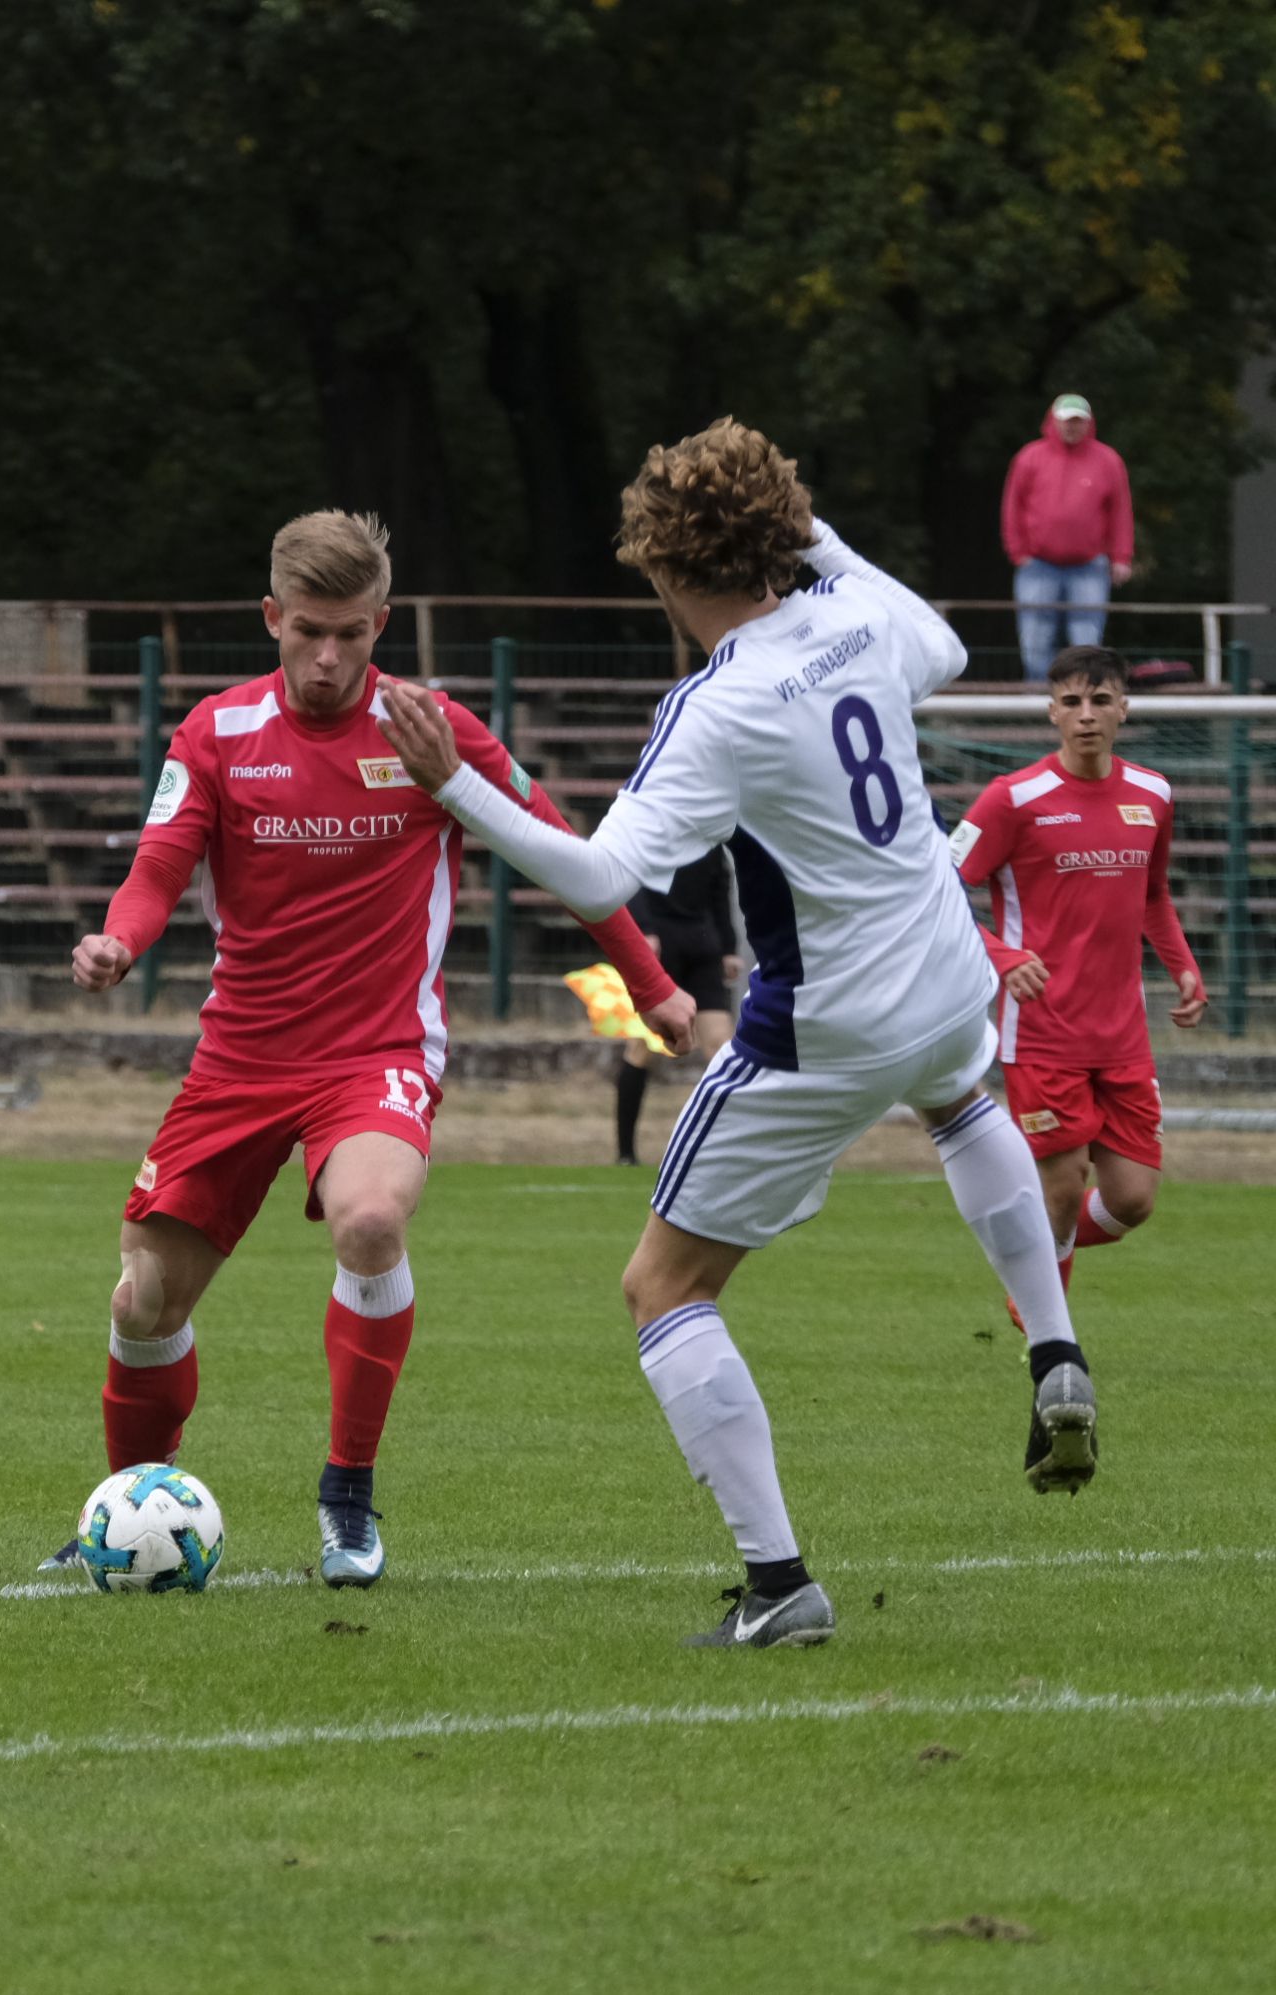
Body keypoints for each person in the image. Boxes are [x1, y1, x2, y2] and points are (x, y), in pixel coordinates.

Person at [379, 418, 1098, 1650]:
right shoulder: (860, 614)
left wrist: (456, 788)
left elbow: (602, 873)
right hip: (944, 981)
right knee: (962, 1102)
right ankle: (1056, 1354)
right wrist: (812, 534)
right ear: (784, 532)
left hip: (828, 1023)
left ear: (664, 570)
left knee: (662, 1286)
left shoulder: (717, 704)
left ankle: (780, 1587)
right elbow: (951, 642)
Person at [57, 509, 689, 1589]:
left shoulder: (430, 733)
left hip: (378, 1051)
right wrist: (123, 935)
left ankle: (346, 1494)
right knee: (142, 1302)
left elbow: (563, 857)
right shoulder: (217, 732)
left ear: (382, 623)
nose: (329, 657)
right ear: (272, 618)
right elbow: (161, 861)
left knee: (370, 1218)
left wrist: (653, 986)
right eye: (309, 631)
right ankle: (128, 1512)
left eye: (352, 634)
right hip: (240, 1061)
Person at [951, 645, 1207, 1322]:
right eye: (1071, 702)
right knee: (1062, 1188)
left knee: (1132, 1199)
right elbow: (937, 893)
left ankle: (1035, 1259)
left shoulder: (1152, 794)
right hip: (1041, 1031)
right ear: (1051, 713)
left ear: (1124, 708)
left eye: (1100, 701)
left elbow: (1152, 893)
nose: (1086, 715)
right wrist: (1002, 954)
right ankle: (1050, 1336)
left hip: (1122, 1035)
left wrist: (1182, 964)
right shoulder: (1013, 797)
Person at [615, 849, 739, 1166]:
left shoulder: (711, 832)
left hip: (702, 943)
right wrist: (642, 929)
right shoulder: (653, 820)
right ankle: (626, 1154)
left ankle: (725, 1152)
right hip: (659, 946)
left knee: (721, 1047)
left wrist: (728, 947)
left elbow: (720, 888)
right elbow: (630, 870)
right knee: (643, 1047)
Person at [1000, 393, 1132, 685]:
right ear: (1054, 421)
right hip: (1038, 565)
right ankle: (1037, 706)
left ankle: (1082, 701)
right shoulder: (1029, 458)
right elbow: (1013, 507)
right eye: (1067, 421)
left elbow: (1120, 511)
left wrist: (1121, 557)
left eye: (1078, 421)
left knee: (1087, 644)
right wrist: (1018, 551)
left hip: (1089, 566)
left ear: (1088, 424)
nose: (1072, 427)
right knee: (1034, 640)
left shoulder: (1108, 460)